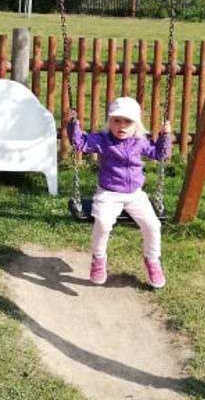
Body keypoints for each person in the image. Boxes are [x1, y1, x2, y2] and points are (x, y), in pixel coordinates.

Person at [66, 96, 172, 289]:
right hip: (108, 194)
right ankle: (99, 258)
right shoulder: (103, 140)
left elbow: (160, 154)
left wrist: (165, 136)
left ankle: (153, 261)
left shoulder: (140, 142)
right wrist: (73, 124)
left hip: (135, 195)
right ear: (109, 121)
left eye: (127, 121)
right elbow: (79, 142)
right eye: (116, 120)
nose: (121, 126)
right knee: (103, 223)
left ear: (136, 124)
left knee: (153, 225)